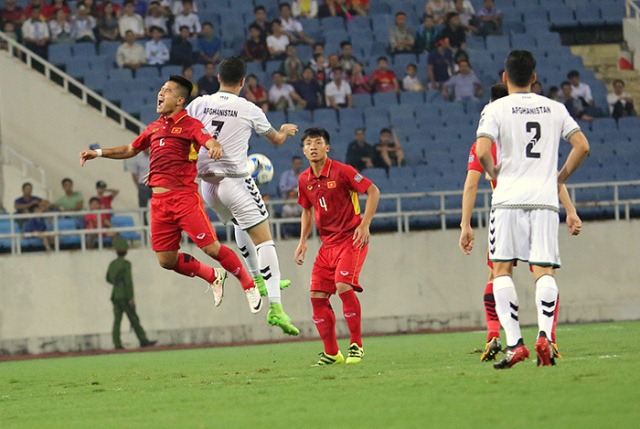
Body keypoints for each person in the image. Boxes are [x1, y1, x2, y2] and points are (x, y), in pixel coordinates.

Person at [80, 75, 261, 316]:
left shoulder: (190, 124)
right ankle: (213, 276)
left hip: (184, 198)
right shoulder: (154, 127)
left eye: (167, 90)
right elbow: (130, 149)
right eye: (161, 89)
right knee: (166, 260)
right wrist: (98, 153)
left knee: (211, 248)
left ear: (179, 100)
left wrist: (214, 146)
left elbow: (207, 139)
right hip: (159, 203)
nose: (161, 93)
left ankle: (249, 286)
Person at [472, 50, 589, 369]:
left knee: (500, 270)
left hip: (507, 199)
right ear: (534, 78)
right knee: (544, 271)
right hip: (544, 201)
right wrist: (559, 178)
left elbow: (483, 151)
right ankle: (544, 337)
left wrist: (496, 173)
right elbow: (582, 146)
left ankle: (514, 345)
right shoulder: (555, 108)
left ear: (505, 77)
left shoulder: (494, 108)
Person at [186, 56, 302, 335]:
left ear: (217, 79)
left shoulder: (198, 103)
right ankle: (276, 308)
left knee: (239, 224)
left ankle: (259, 281)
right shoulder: (248, 108)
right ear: (243, 82)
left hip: (207, 186)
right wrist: (284, 130)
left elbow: (185, 133)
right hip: (234, 181)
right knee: (265, 241)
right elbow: (275, 139)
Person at [294, 127, 380, 365]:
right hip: (326, 245)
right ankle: (332, 353)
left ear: (327, 147)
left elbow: (373, 191)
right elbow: (307, 211)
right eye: (308, 143)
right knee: (316, 296)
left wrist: (365, 225)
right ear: (303, 150)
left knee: (343, 286)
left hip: (351, 239)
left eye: (318, 142)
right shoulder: (304, 180)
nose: (313, 147)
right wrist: (302, 241)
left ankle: (356, 346)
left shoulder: (343, 171)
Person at [106, 238, 157, 349]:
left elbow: (108, 278)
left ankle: (117, 343)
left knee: (117, 321)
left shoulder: (112, 264)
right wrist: (131, 298)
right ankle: (143, 340)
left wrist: (116, 283)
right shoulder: (126, 264)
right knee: (134, 318)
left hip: (115, 295)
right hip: (125, 295)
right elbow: (129, 281)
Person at [130, 147, 152, 224]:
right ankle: (144, 228)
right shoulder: (138, 160)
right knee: (143, 209)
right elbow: (134, 174)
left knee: (162, 207)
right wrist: (138, 186)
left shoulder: (156, 157)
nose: (146, 149)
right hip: (143, 185)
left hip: (155, 185)